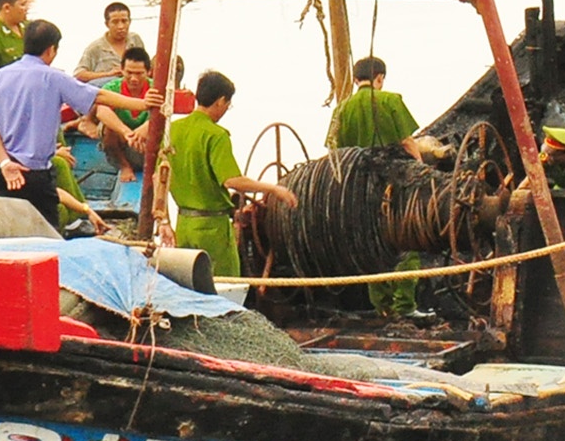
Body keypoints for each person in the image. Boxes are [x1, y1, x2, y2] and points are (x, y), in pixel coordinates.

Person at [0, 20, 160, 228]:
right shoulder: (54, 78)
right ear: (51, 50)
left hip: (3, 170)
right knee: (46, 237)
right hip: (35, 172)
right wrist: (143, 103)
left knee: (8, 231)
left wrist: (4, 162)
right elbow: (99, 96)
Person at [165, 70, 298, 278]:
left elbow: (160, 178)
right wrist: (273, 188)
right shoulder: (216, 135)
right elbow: (232, 180)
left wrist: (164, 220)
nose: (226, 109)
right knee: (223, 289)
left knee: (190, 287)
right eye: (228, 104)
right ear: (220, 101)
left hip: (183, 226)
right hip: (213, 231)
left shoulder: (172, 130)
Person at [328, 55, 422, 315]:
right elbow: (407, 142)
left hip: (358, 190)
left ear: (356, 79)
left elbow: (333, 151)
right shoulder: (391, 100)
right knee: (406, 245)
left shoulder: (342, 109)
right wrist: (422, 168)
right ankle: (404, 306)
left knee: (371, 245)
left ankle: (381, 307)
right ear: (379, 78)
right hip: (393, 187)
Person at [88, 47, 155, 182]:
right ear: (122, 70)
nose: (134, 78)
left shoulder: (155, 89)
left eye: (139, 73)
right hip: (122, 141)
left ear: (148, 72)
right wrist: (126, 132)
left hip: (147, 141)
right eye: (129, 73)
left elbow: (168, 114)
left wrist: (145, 128)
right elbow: (102, 111)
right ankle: (124, 166)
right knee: (108, 129)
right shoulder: (112, 87)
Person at [75, 1, 148, 82]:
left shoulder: (135, 40)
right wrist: (109, 74)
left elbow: (146, 66)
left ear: (130, 22)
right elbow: (79, 74)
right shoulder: (95, 48)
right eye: (115, 22)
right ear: (107, 24)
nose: (121, 26)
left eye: (124, 21)